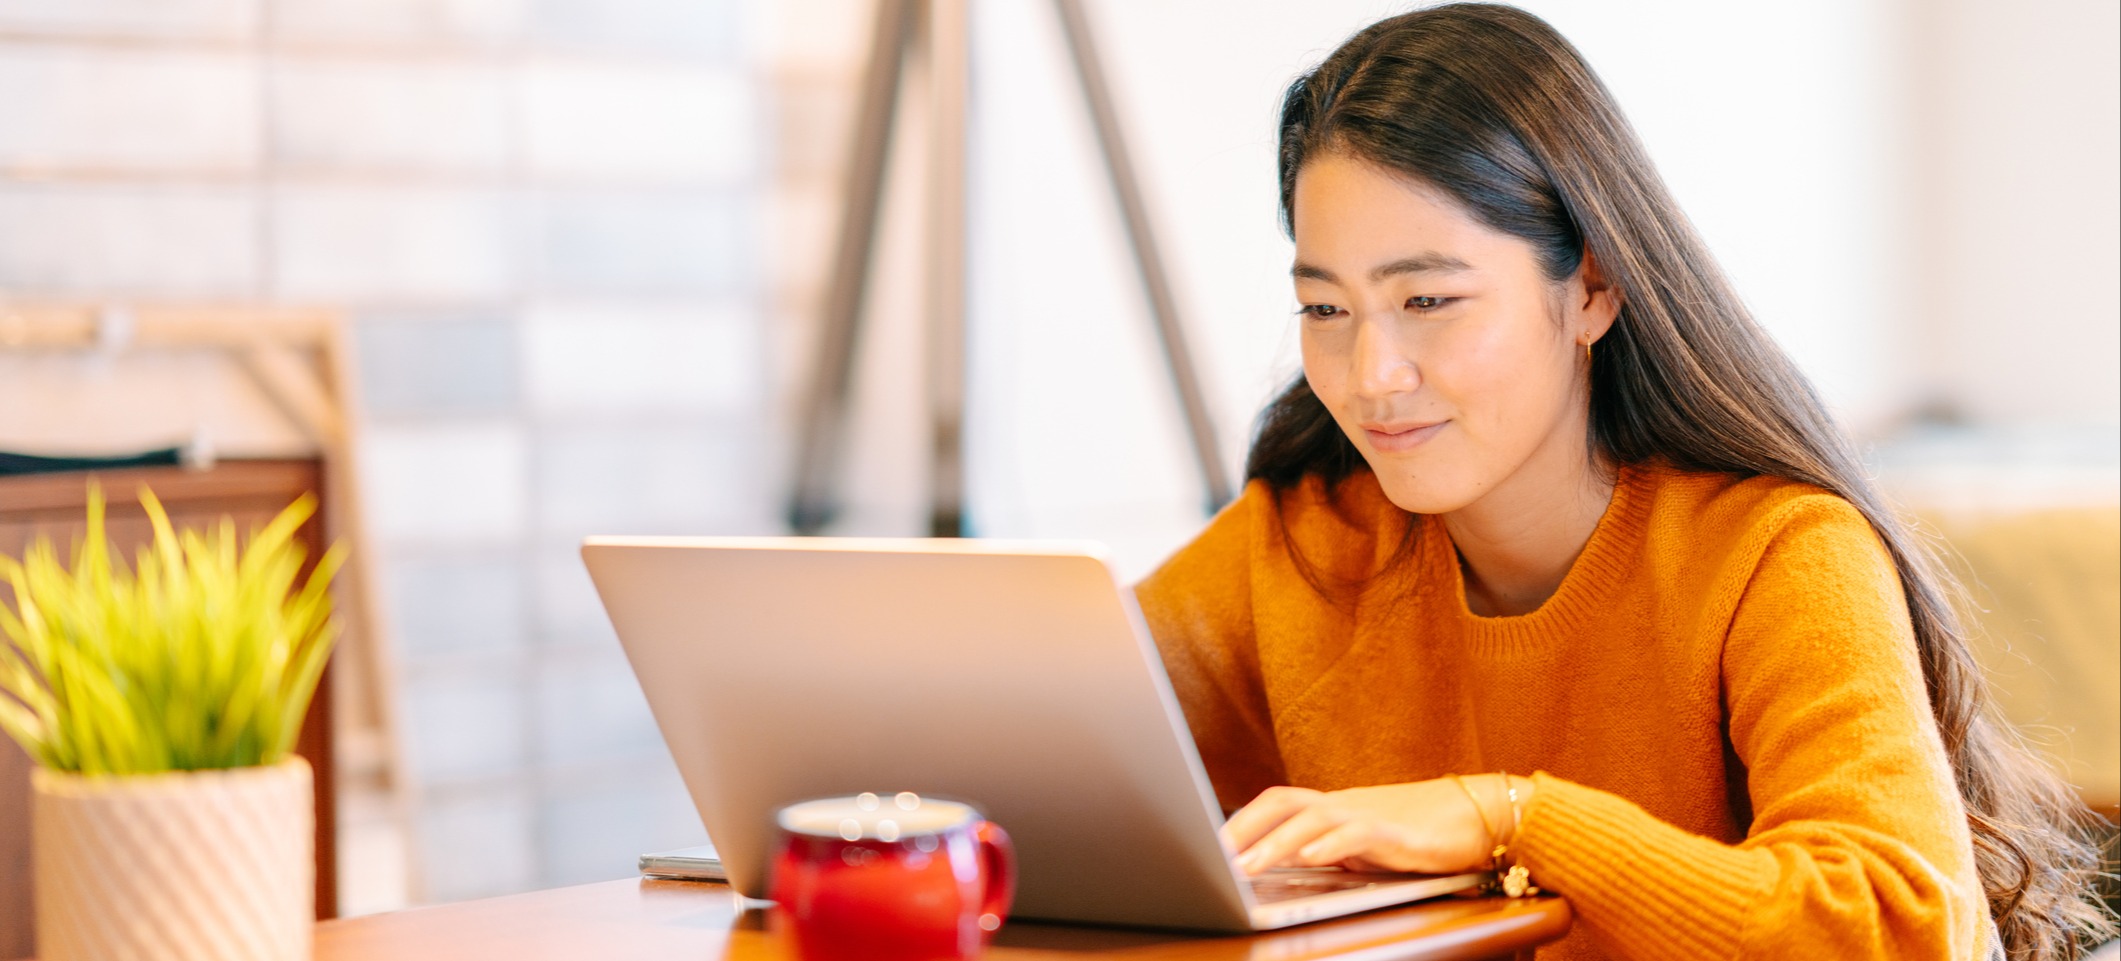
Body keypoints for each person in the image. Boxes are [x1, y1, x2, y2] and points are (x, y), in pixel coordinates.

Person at [1132, 5, 2113, 960]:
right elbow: (1040, 749)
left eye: (1428, 299)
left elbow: (1899, 930)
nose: (1369, 373)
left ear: (1593, 286)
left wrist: (1511, 816)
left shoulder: (1777, 551)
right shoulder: (1303, 543)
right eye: (1324, 307)